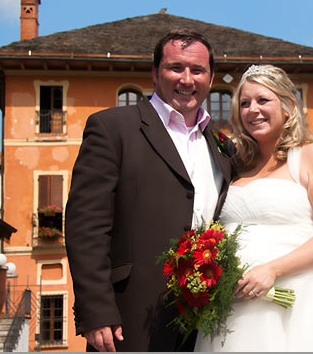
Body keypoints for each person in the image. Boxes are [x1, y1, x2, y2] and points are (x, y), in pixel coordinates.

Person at [65, 29, 233, 352]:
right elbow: (86, 225)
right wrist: (96, 309)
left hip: (205, 324)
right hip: (129, 318)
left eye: (197, 70)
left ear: (210, 79)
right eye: (176, 67)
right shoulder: (112, 128)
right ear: (155, 73)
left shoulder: (221, 148)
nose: (187, 79)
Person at [194, 64, 313, 351]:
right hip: (235, 309)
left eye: (263, 100)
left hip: (301, 302)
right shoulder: (236, 166)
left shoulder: (312, 156)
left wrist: (271, 270)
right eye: (245, 103)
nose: (253, 110)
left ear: (288, 105)